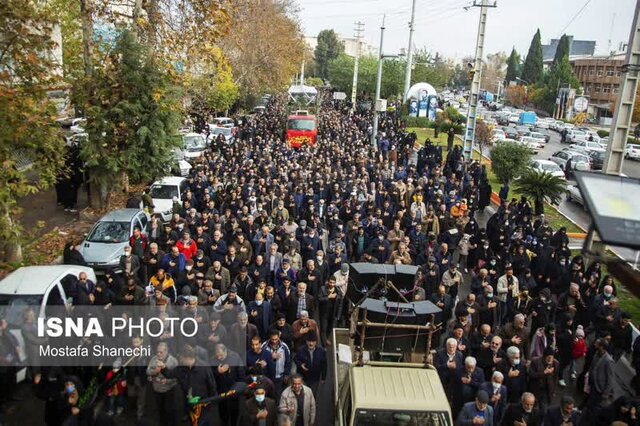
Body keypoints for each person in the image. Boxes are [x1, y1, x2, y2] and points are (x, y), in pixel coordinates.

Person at [146, 342, 180, 426]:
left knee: (169, 410)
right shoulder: (154, 359)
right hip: (157, 390)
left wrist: (167, 381)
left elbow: (177, 377)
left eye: (161, 352)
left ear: (166, 351)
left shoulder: (173, 361)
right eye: (157, 352)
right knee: (159, 410)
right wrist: (154, 372)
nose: (158, 354)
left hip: (168, 391)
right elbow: (147, 371)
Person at [293, 332, 327, 396]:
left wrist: (323, 377)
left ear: (316, 342)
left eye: (313, 341)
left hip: (315, 378)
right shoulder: (301, 350)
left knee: (312, 394)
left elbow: (324, 365)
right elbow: (295, 359)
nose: (311, 343)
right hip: (303, 377)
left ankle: (312, 405)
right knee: (302, 394)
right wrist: (300, 365)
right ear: (306, 341)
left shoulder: (321, 352)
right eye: (309, 341)